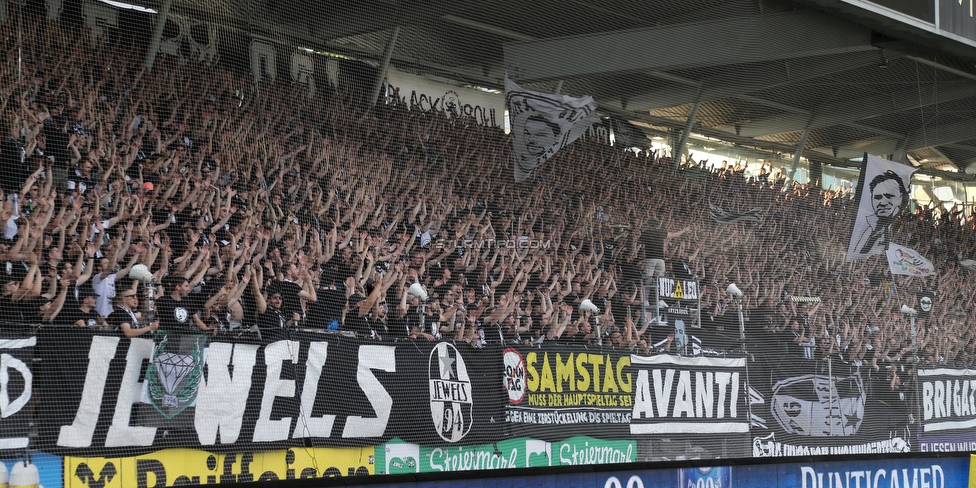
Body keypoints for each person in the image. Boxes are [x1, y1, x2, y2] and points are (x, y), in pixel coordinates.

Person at [850, 170, 910, 258]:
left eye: (889, 196)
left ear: (900, 198)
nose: (882, 202)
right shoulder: (864, 225)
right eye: (877, 197)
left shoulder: (889, 225)